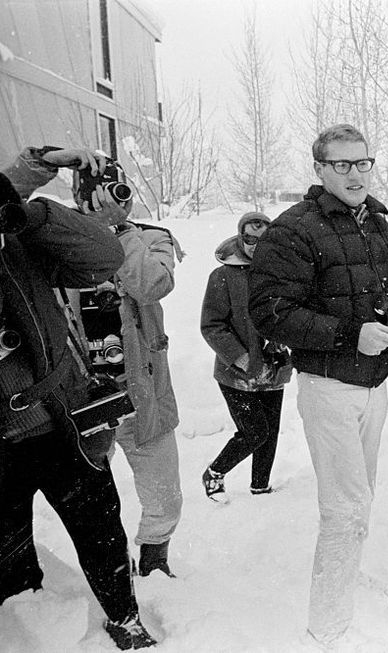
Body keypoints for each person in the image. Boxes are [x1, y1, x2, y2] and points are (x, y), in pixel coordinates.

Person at [248, 124, 388, 647]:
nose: (355, 174)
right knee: (343, 508)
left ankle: (344, 581)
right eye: (341, 165)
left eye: (363, 163)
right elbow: (270, 313)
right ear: (319, 169)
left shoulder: (378, 225)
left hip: (373, 382)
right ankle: (327, 628)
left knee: (361, 496)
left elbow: (375, 291)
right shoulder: (293, 230)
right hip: (329, 386)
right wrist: (350, 334)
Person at [0, 149, 156, 649]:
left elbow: (103, 257)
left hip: (60, 419)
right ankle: (31, 630)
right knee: (9, 553)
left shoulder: (16, 239)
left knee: (100, 527)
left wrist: (29, 208)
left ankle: (124, 617)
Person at [70, 160, 183, 580]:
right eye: (98, 192)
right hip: (82, 398)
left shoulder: (150, 238)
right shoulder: (60, 240)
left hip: (142, 391)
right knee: (92, 500)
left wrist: (119, 231)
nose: (113, 199)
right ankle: (111, 572)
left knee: (165, 495)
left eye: (118, 190)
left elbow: (150, 285)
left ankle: (154, 560)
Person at [201, 212, 292, 502]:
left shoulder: (281, 273)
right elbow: (212, 326)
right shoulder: (223, 276)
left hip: (273, 369)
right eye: (249, 239)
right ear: (241, 237)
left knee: (270, 431)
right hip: (236, 374)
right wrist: (240, 358)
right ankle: (214, 473)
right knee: (255, 432)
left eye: (262, 239)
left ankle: (260, 486)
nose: (255, 245)